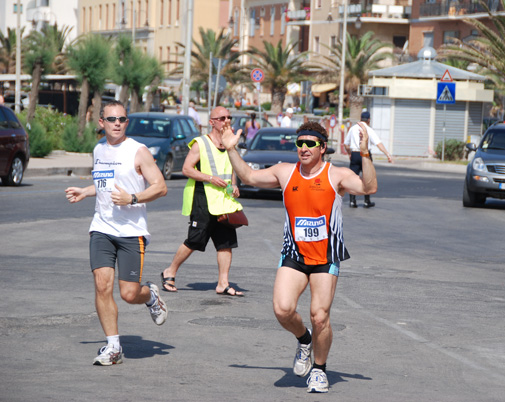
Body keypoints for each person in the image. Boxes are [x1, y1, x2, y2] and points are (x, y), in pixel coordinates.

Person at [221, 121, 377, 393]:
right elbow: (249, 177)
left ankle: (319, 369)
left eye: (310, 144)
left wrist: (364, 154)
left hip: (326, 257)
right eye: (300, 143)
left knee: (320, 316)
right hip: (294, 253)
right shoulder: (285, 172)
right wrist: (232, 149)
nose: (304, 148)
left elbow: (368, 188)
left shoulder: (335, 175)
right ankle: (304, 339)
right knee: (282, 309)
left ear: (322, 147)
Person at [64, 100, 168, 366]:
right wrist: (85, 192)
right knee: (102, 285)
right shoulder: (98, 150)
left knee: (129, 294)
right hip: (102, 227)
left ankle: (151, 295)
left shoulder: (138, 152)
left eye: (122, 119)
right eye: (112, 119)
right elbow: (104, 184)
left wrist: (133, 198)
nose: (117, 123)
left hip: (132, 231)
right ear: (102, 123)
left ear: (126, 122)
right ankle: (113, 347)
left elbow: (160, 187)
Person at [160, 106, 244, 296]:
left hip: (223, 200)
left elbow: (232, 168)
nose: (227, 121)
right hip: (203, 198)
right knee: (194, 240)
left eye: (229, 117)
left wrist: (235, 185)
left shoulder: (230, 144)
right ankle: (170, 271)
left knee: (226, 243)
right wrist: (210, 178)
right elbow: (187, 169)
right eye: (222, 118)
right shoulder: (201, 143)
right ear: (212, 122)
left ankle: (223, 283)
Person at [343, 111, 393, 208]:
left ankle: (352, 201)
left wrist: (350, 153)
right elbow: (378, 143)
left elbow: (346, 143)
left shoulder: (353, 129)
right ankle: (367, 201)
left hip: (354, 154)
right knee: (367, 178)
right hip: (365, 154)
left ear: (361, 118)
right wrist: (387, 154)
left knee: (352, 177)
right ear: (369, 120)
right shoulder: (369, 130)